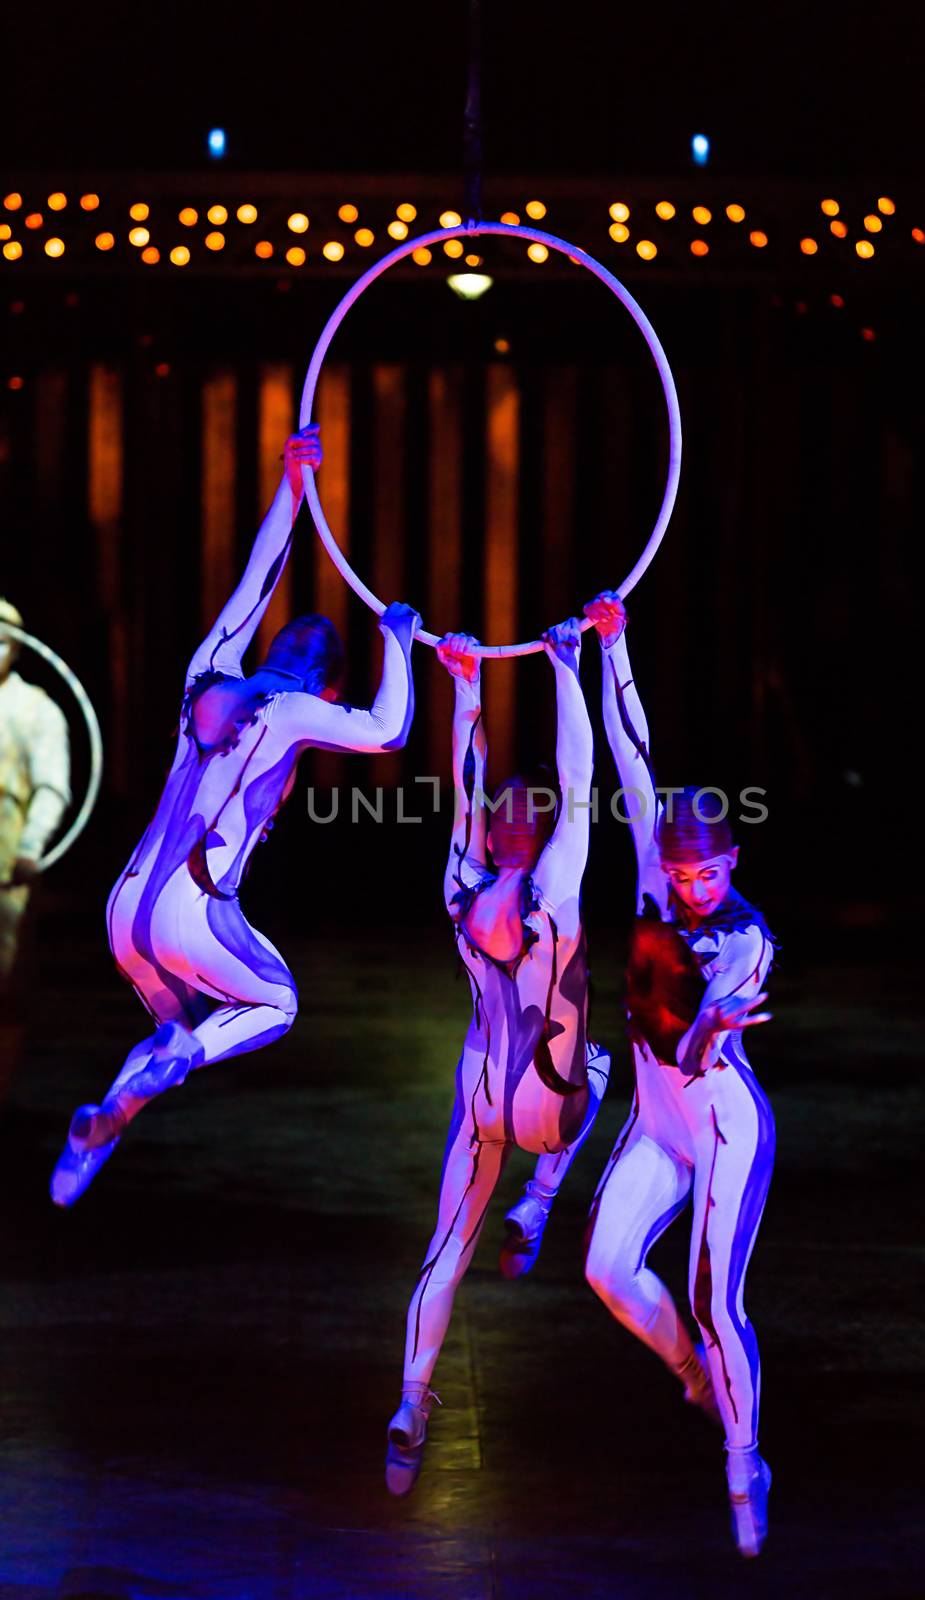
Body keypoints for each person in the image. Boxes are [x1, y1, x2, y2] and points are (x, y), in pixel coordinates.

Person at [51, 426, 420, 1205]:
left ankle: (101, 1130)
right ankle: (172, 1068)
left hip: (123, 909)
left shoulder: (208, 671)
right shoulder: (293, 709)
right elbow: (389, 730)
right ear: (324, 687)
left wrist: (292, 484)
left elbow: (255, 582)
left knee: (175, 1031)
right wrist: (399, 642)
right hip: (193, 908)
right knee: (275, 1003)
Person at [386, 621, 610, 1495]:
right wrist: (565, 667)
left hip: (481, 1096)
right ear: (544, 832)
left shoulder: (460, 883)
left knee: (445, 1248)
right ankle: (543, 1197)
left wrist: (466, 684)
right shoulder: (555, 887)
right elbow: (582, 780)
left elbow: (465, 782)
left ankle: (410, 1403)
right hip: (548, 1102)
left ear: (491, 832)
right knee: (600, 1063)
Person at [580, 590, 776, 1559]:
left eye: (707, 873)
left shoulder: (744, 938)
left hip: (720, 1120)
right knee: (603, 1265)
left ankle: (742, 1456)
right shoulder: (656, 878)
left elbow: (702, 1039)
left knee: (713, 1296)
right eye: (679, 872)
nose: (691, 887)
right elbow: (632, 759)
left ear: (731, 860)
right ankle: (693, 1376)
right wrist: (612, 652)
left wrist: (708, 1020)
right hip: (656, 1117)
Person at [0, 598, 72, 1100]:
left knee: (5, 987)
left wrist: (30, 848)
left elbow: (52, 786)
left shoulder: (35, 709)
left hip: (7, 867)